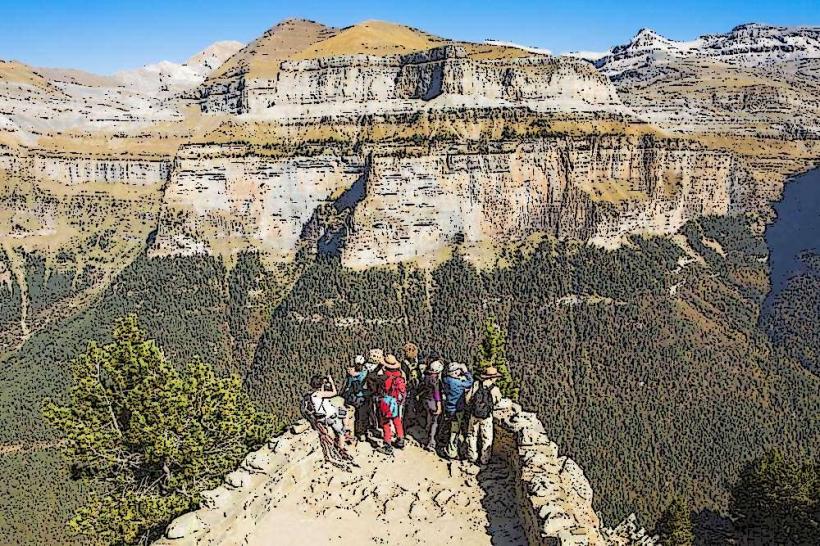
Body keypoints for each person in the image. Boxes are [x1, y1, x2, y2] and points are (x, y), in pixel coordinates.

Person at [465, 366, 503, 466]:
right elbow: (498, 402)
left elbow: (468, 399)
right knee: (487, 438)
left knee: (472, 435)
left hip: (474, 415)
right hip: (486, 416)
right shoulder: (494, 389)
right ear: (492, 377)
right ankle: (484, 459)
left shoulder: (477, 384)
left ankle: (472, 456)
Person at [440, 362, 473, 459]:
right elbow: (470, 382)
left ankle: (444, 444)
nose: (460, 371)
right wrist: (466, 372)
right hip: (457, 410)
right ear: (454, 372)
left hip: (448, 408)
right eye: (458, 370)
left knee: (449, 426)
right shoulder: (458, 383)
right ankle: (452, 452)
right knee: (454, 431)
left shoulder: (446, 380)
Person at [375, 354, 407, 454]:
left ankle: (387, 444)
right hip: (396, 401)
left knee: (385, 423)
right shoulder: (400, 374)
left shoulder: (384, 376)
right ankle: (400, 439)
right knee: (397, 420)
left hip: (386, 401)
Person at [307, 374, 346, 451]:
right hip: (329, 417)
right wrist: (331, 382)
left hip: (320, 418)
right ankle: (341, 448)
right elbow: (334, 392)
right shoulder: (320, 394)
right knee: (341, 431)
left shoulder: (312, 395)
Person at [340, 355, 369, 442]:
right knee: (362, 415)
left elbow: (347, 386)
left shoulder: (351, 374)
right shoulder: (364, 373)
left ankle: (355, 432)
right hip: (361, 397)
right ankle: (361, 433)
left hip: (352, 398)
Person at [418, 359, 444, 451]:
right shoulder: (435, 380)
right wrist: (439, 405)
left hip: (425, 400)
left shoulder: (426, 376)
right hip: (432, 402)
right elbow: (437, 394)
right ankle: (431, 442)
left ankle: (426, 435)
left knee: (429, 418)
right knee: (435, 422)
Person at [401, 342, 421, 425]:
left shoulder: (404, 363)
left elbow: (403, 375)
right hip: (416, 385)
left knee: (408, 403)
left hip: (408, 385)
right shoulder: (417, 362)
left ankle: (408, 420)